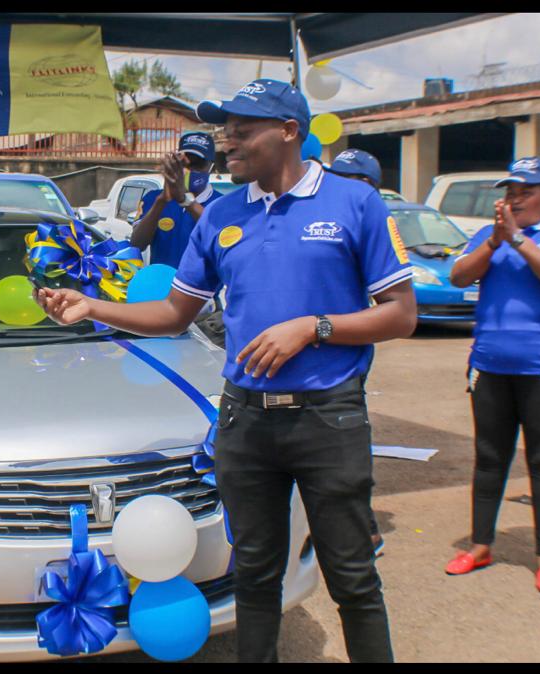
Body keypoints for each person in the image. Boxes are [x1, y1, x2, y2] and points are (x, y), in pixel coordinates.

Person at [34, 79, 417, 663]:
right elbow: (172, 312)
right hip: (245, 424)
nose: (226, 144)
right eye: (224, 132)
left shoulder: (354, 203)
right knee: (256, 580)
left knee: (352, 579)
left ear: (289, 131)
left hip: (328, 421)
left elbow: (401, 314)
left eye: (241, 132)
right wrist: (93, 306)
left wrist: (313, 327)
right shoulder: (221, 214)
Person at [445, 157, 540, 593]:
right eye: (510, 191)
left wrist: (517, 239)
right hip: (489, 366)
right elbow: (457, 275)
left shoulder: (530, 239)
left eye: (525, 191)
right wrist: (495, 242)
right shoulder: (488, 236)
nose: (514, 198)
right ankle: (480, 545)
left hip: (538, 368)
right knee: (489, 458)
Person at [327, 148, 388, 556]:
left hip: (346, 346)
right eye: (339, 177)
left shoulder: (373, 220)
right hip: (319, 346)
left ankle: (365, 530)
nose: (344, 186)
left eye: (354, 180)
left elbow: (394, 305)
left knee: (346, 442)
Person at [130, 131, 226, 347]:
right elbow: (137, 243)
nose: (191, 171)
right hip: (157, 303)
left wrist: (185, 200)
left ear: (211, 166)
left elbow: (219, 238)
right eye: (186, 164)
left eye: (198, 164)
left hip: (204, 312)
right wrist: (163, 201)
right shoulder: (153, 198)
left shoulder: (222, 204)